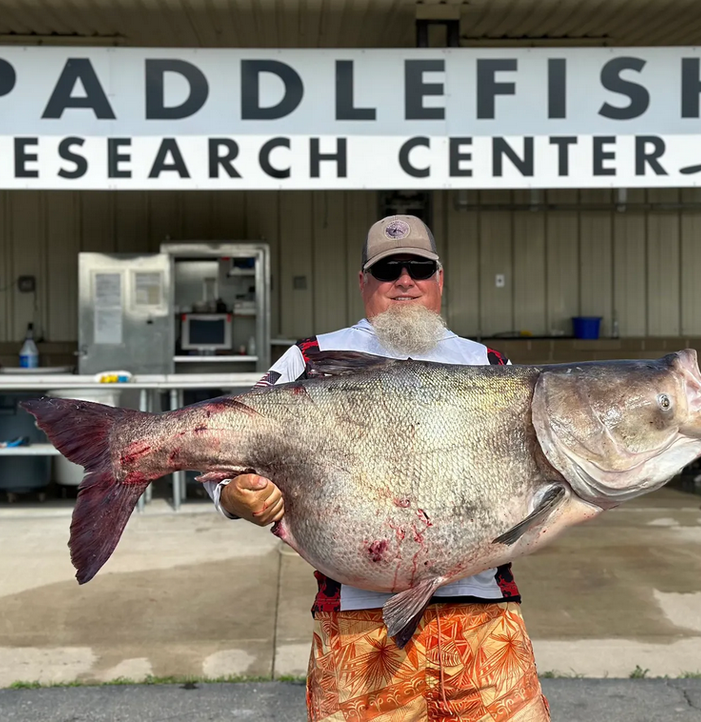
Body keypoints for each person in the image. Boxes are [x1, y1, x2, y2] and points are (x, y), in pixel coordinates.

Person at [210, 214, 552, 721]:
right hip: (358, 625)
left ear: (440, 278)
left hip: (483, 621)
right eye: (389, 268)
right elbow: (220, 452)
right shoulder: (311, 359)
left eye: (418, 266)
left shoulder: (491, 365)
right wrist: (234, 495)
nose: (404, 280)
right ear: (363, 281)